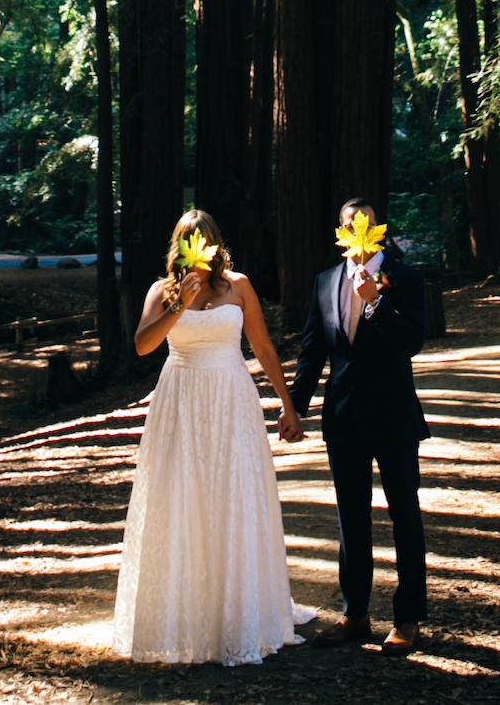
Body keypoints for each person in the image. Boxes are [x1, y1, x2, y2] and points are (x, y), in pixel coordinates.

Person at [113, 210, 314, 666]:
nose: (197, 247)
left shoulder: (238, 286)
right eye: (188, 239)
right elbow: (144, 345)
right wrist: (178, 305)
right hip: (180, 399)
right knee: (181, 498)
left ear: (216, 243)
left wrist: (287, 405)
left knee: (233, 496)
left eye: (203, 239)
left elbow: (262, 347)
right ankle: (185, 614)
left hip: (230, 398)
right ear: (179, 245)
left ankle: (240, 613)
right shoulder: (162, 291)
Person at [278, 198, 430, 656]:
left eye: (364, 224)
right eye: (348, 225)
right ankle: (355, 613)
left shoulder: (404, 278)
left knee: (405, 515)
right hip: (343, 418)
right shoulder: (326, 281)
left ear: (378, 230)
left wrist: (376, 303)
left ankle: (408, 617)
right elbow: (312, 351)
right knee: (351, 519)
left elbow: (411, 343)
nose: (356, 232)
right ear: (340, 231)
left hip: (394, 415)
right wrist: (294, 406)